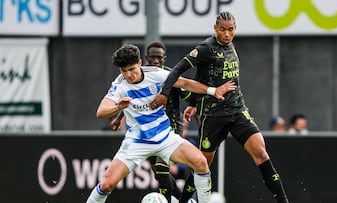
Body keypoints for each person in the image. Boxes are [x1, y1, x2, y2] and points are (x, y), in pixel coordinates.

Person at [150, 11, 289, 203]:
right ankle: (184, 201)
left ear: (235, 29)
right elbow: (178, 69)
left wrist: (191, 103)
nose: (226, 34)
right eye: (222, 29)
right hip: (212, 116)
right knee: (201, 165)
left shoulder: (231, 45)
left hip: (237, 110)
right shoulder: (206, 48)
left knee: (261, 153)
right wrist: (166, 94)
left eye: (230, 30)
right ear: (215, 28)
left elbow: (203, 73)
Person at [86, 44, 237, 203]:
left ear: (139, 63)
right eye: (124, 71)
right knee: (107, 184)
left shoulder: (157, 74)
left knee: (200, 163)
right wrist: (118, 107)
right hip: (136, 142)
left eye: (131, 69)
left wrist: (213, 91)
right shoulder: (119, 85)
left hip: (165, 137)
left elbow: (185, 83)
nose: (128, 75)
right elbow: (101, 111)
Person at [109, 41, 192, 202]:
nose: (155, 60)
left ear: (164, 59)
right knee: (160, 174)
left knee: (161, 168)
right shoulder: (141, 77)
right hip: (148, 131)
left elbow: (190, 97)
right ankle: (184, 200)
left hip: (171, 126)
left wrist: (197, 109)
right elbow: (131, 102)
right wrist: (119, 117)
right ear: (146, 58)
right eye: (152, 57)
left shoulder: (170, 77)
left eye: (159, 57)